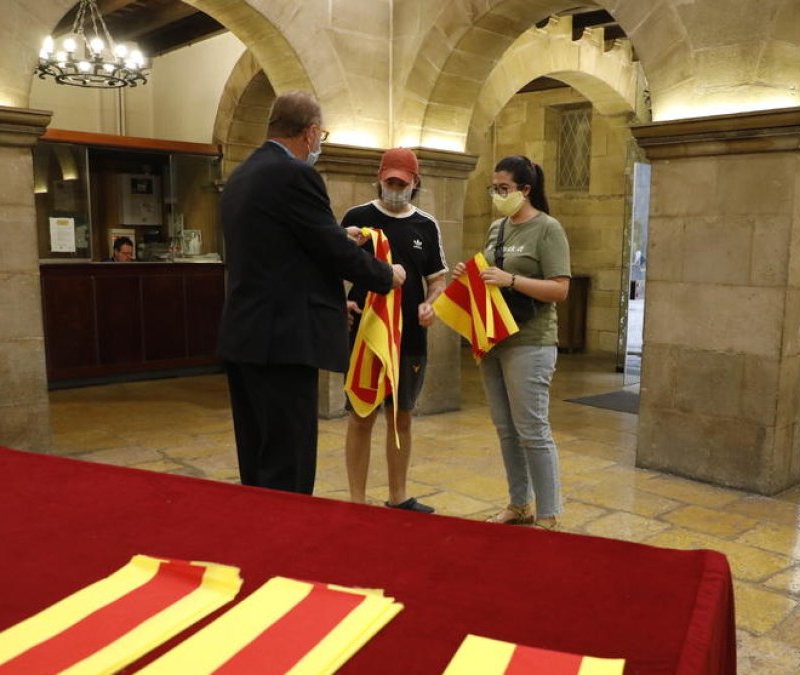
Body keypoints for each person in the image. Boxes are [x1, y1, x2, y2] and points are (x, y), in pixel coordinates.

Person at [217, 90, 406, 495]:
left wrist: (338, 235)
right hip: (283, 341)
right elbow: (331, 252)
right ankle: (284, 551)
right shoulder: (296, 174)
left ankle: (260, 543)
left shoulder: (242, 174)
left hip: (246, 335)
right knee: (288, 465)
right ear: (311, 132)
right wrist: (385, 275)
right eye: (321, 137)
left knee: (257, 457)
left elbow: (281, 247)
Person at [452, 155, 570, 530]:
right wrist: (467, 275)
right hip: (494, 338)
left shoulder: (548, 229)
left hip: (531, 341)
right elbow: (488, 277)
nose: (498, 195)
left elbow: (560, 289)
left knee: (532, 429)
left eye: (504, 189)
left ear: (525, 190)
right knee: (506, 428)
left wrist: (511, 281)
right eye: (495, 188)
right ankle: (519, 504)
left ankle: (548, 513)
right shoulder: (497, 228)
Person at [342, 148, 447, 513]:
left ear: (415, 183)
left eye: (402, 183)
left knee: (402, 415)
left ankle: (399, 495)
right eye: (389, 182)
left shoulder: (426, 225)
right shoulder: (358, 219)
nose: (395, 188)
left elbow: (436, 280)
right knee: (361, 414)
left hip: (410, 338)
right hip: (367, 335)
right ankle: (356, 499)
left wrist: (430, 303)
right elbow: (330, 267)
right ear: (379, 177)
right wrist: (343, 303)